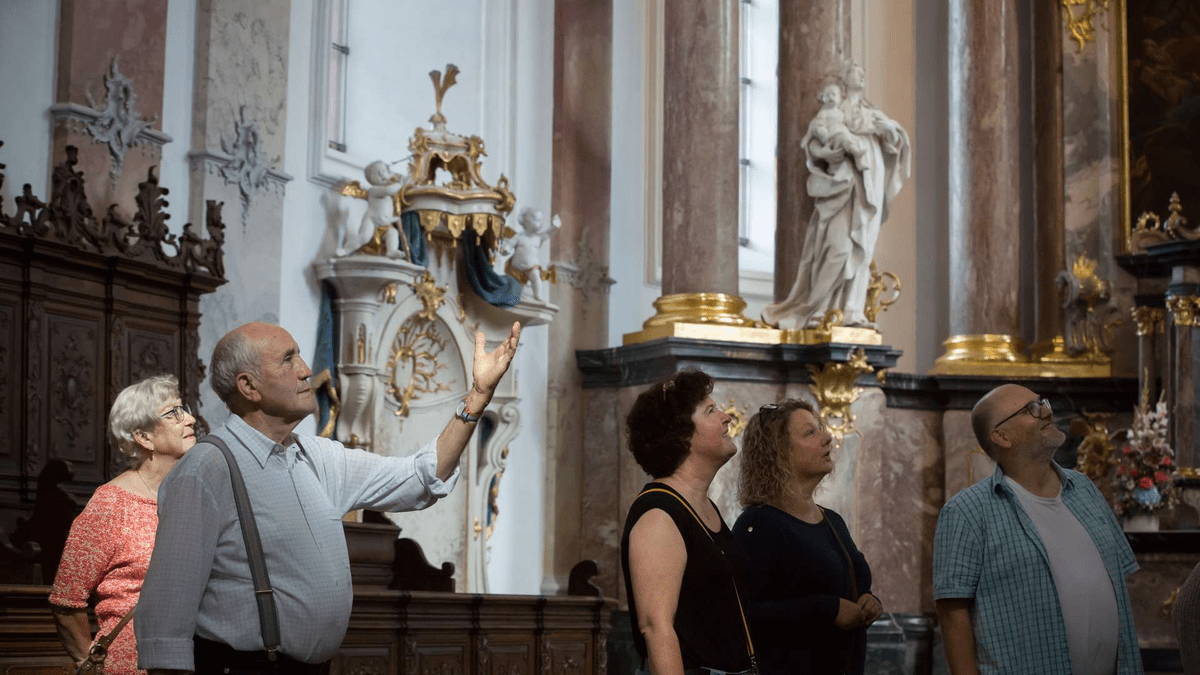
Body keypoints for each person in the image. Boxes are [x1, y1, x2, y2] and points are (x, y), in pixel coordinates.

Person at [136, 320, 520, 675]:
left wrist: (477, 398)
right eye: (288, 360)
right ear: (249, 386)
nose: (306, 370)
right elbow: (164, 621)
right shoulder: (206, 469)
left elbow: (419, 477)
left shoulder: (318, 457)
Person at [933, 384, 1144, 675]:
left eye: (1042, 402)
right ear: (1001, 436)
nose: (1047, 411)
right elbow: (952, 614)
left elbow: (1117, 580)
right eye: (1031, 409)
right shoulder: (967, 511)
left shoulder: (1084, 489)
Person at [48, 374, 197, 675]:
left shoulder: (193, 496)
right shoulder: (110, 505)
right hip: (131, 666)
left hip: (192, 660)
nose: (191, 419)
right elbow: (66, 600)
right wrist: (88, 661)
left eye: (185, 409)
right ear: (144, 437)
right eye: (174, 413)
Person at [620, 368, 755, 675]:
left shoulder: (701, 505)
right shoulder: (659, 514)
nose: (726, 417)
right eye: (711, 411)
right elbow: (657, 628)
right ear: (681, 435)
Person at [733, 399, 880, 675]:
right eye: (810, 433)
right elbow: (746, 613)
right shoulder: (758, 524)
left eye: (820, 429)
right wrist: (827, 609)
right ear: (778, 452)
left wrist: (870, 601)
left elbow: (852, 584)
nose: (827, 438)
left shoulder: (832, 520)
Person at [763, 61, 910, 330]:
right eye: (857, 72)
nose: (862, 75)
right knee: (838, 248)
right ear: (844, 79)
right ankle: (818, 307)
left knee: (864, 248)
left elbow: (894, 141)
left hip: (870, 182)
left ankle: (852, 309)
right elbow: (814, 142)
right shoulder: (835, 111)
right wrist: (829, 151)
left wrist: (889, 130)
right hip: (842, 185)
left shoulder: (871, 111)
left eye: (863, 72)